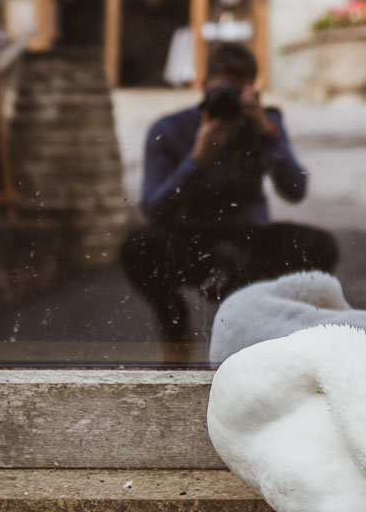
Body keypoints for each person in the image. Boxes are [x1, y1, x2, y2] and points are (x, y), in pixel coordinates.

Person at [120, 43, 338, 341]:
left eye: (235, 93)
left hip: (247, 239)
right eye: (221, 92)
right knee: (137, 245)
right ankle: (176, 326)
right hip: (190, 240)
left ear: (252, 90)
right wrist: (197, 159)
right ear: (203, 85)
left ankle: (267, 326)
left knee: (320, 245)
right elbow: (153, 210)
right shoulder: (170, 129)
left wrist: (266, 132)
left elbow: (296, 190)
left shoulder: (264, 123)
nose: (227, 102)